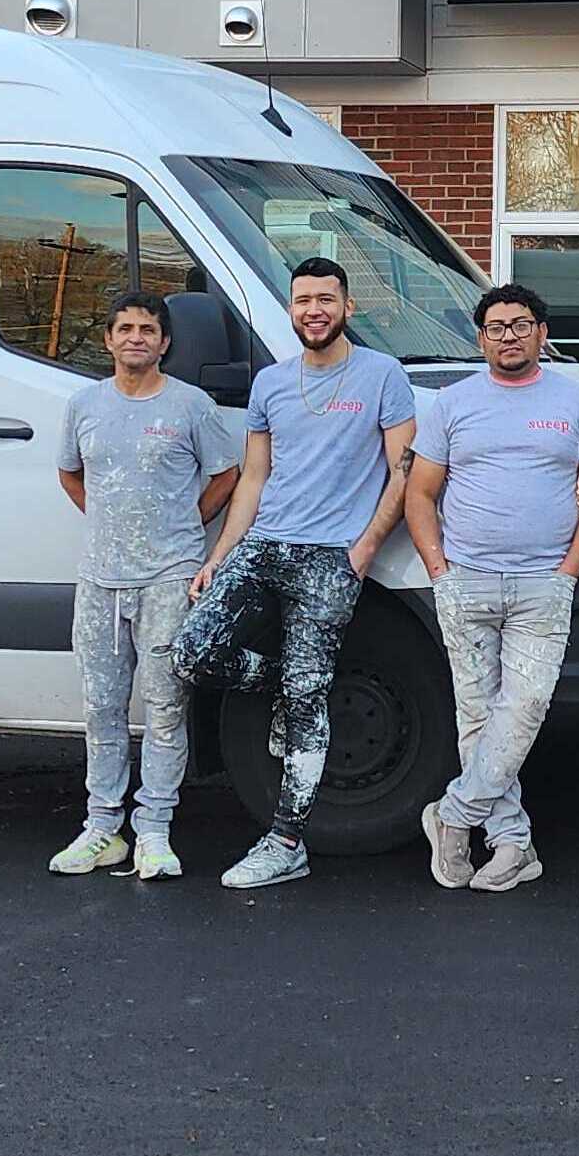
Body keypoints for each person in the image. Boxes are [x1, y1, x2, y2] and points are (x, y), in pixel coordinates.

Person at [175, 256, 419, 891]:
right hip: (265, 545)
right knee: (192, 654)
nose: (314, 310)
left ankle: (286, 842)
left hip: (330, 557)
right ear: (291, 309)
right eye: (303, 299)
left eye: (326, 299)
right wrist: (222, 554)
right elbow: (253, 478)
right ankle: (289, 679)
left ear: (347, 308)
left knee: (311, 704)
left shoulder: (383, 375)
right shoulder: (272, 384)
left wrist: (364, 548)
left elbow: (404, 470)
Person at [407, 283, 579, 894]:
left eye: (521, 323)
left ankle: (452, 816)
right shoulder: (451, 404)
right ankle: (511, 842)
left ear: (542, 332)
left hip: (542, 587)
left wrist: (568, 574)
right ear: (481, 338)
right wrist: (439, 572)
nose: (509, 335)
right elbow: (420, 493)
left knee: (523, 709)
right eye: (497, 326)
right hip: (465, 581)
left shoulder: (576, 402)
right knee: (477, 716)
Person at [46, 293, 243, 883]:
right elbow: (69, 473)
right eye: (125, 329)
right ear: (108, 340)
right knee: (102, 710)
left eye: (148, 330)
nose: (136, 338)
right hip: (100, 583)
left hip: (169, 580)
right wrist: (109, 524)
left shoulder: (191, 406)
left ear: (164, 343)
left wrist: (183, 522)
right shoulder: (84, 406)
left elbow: (228, 474)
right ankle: (102, 829)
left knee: (164, 711)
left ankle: (154, 832)